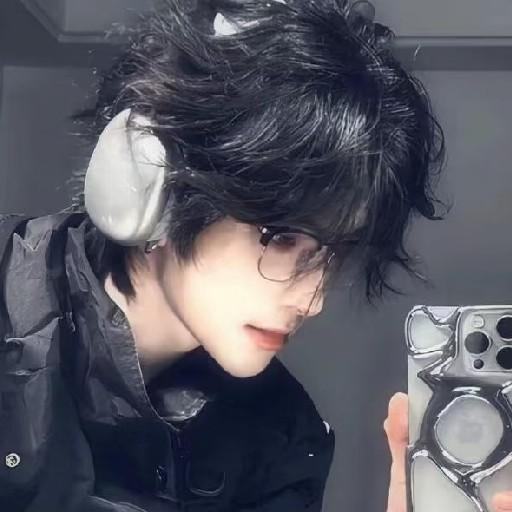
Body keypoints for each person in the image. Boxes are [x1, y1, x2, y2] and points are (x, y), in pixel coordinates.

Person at [0, 0, 461, 510]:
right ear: (153, 183)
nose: (314, 301)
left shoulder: (281, 441)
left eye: (335, 253)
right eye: (280, 237)